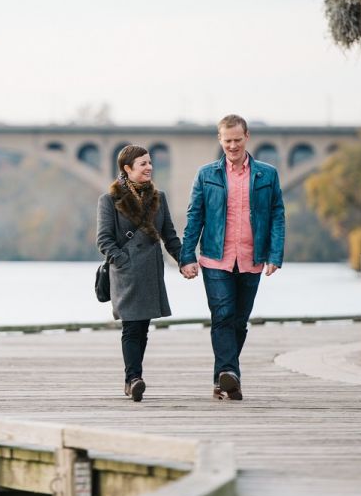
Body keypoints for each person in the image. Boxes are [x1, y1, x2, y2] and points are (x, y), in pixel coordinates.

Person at [180, 114, 285, 401]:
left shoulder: (267, 174)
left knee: (239, 321)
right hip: (216, 258)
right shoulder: (206, 175)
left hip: (252, 258)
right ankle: (230, 372)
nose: (233, 146)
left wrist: (275, 254)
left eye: (238, 140)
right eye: (227, 141)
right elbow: (194, 216)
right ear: (220, 140)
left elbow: (277, 215)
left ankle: (223, 380)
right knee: (223, 316)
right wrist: (186, 256)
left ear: (247, 137)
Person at [97, 145, 182, 402]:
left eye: (150, 162)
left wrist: (184, 261)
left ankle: (133, 378)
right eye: (143, 163)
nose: (149, 167)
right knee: (131, 327)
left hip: (151, 272)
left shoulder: (159, 197)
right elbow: (104, 240)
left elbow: (170, 236)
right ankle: (133, 379)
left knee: (142, 327)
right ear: (127, 168)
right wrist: (123, 260)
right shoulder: (109, 200)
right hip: (125, 274)